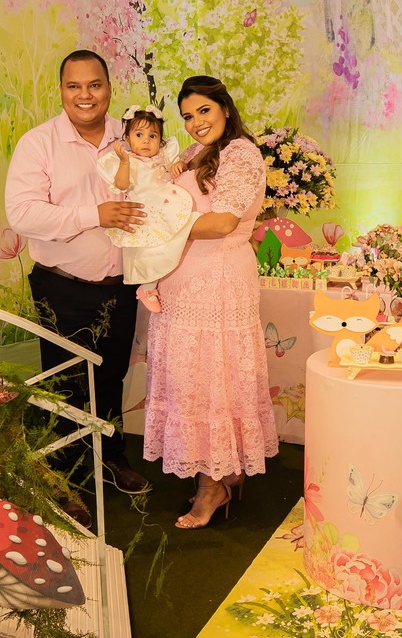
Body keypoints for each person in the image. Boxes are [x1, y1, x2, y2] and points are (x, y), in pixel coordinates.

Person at [4, 49, 152, 521]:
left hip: (122, 286)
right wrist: (94, 215)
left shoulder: (132, 138)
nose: (85, 95)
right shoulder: (39, 143)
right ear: (61, 91)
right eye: (74, 86)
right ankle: (62, 479)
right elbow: (22, 213)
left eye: (94, 85)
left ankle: (110, 459)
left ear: (109, 88)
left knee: (111, 377)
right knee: (65, 383)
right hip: (62, 286)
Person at [142, 75, 279, 529]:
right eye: (187, 115)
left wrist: (156, 228)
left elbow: (222, 223)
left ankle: (212, 486)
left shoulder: (240, 153)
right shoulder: (192, 154)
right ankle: (220, 470)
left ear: (225, 108)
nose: (196, 122)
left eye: (204, 110)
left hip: (219, 278)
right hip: (182, 278)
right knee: (191, 378)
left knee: (213, 377)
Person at [96, 105, 199, 312]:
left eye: (152, 136)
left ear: (160, 140)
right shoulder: (129, 161)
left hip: (166, 204)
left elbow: (174, 169)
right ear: (127, 139)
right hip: (145, 211)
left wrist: (179, 166)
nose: (146, 141)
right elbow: (122, 185)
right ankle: (148, 288)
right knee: (149, 253)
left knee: (179, 236)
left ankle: (164, 282)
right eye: (139, 135)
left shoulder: (163, 155)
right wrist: (124, 162)